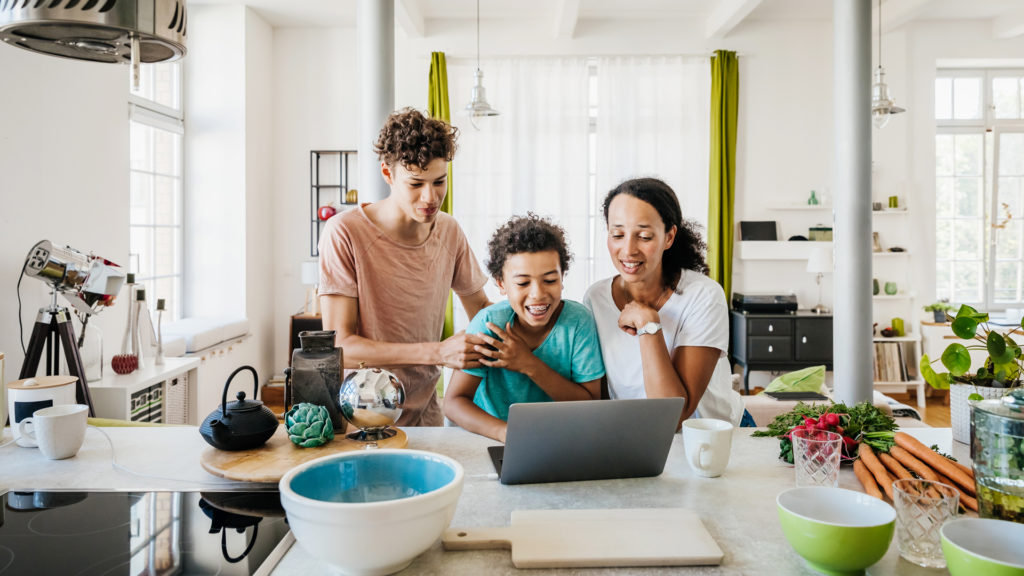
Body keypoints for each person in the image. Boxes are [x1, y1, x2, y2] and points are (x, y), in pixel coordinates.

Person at [318, 108, 491, 427]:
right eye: (415, 183)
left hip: (427, 408)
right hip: (362, 413)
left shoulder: (449, 231)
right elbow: (342, 346)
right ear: (387, 173)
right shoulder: (344, 232)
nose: (430, 196)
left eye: (440, 181)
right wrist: (438, 352)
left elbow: (482, 309)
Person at [583, 177, 750, 427]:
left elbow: (674, 414)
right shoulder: (595, 298)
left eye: (644, 236)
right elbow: (605, 390)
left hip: (715, 439)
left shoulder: (703, 296)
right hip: (640, 439)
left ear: (669, 237)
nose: (628, 250)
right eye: (617, 234)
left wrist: (649, 325)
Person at [444, 214, 605, 442]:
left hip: (559, 439)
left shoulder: (578, 322)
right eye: (522, 283)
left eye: (550, 280)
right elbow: (454, 402)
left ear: (562, 277)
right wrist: (506, 433)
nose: (538, 294)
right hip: (492, 439)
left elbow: (590, 404)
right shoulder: (488, 323)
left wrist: (528, 364)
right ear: (501, 283)